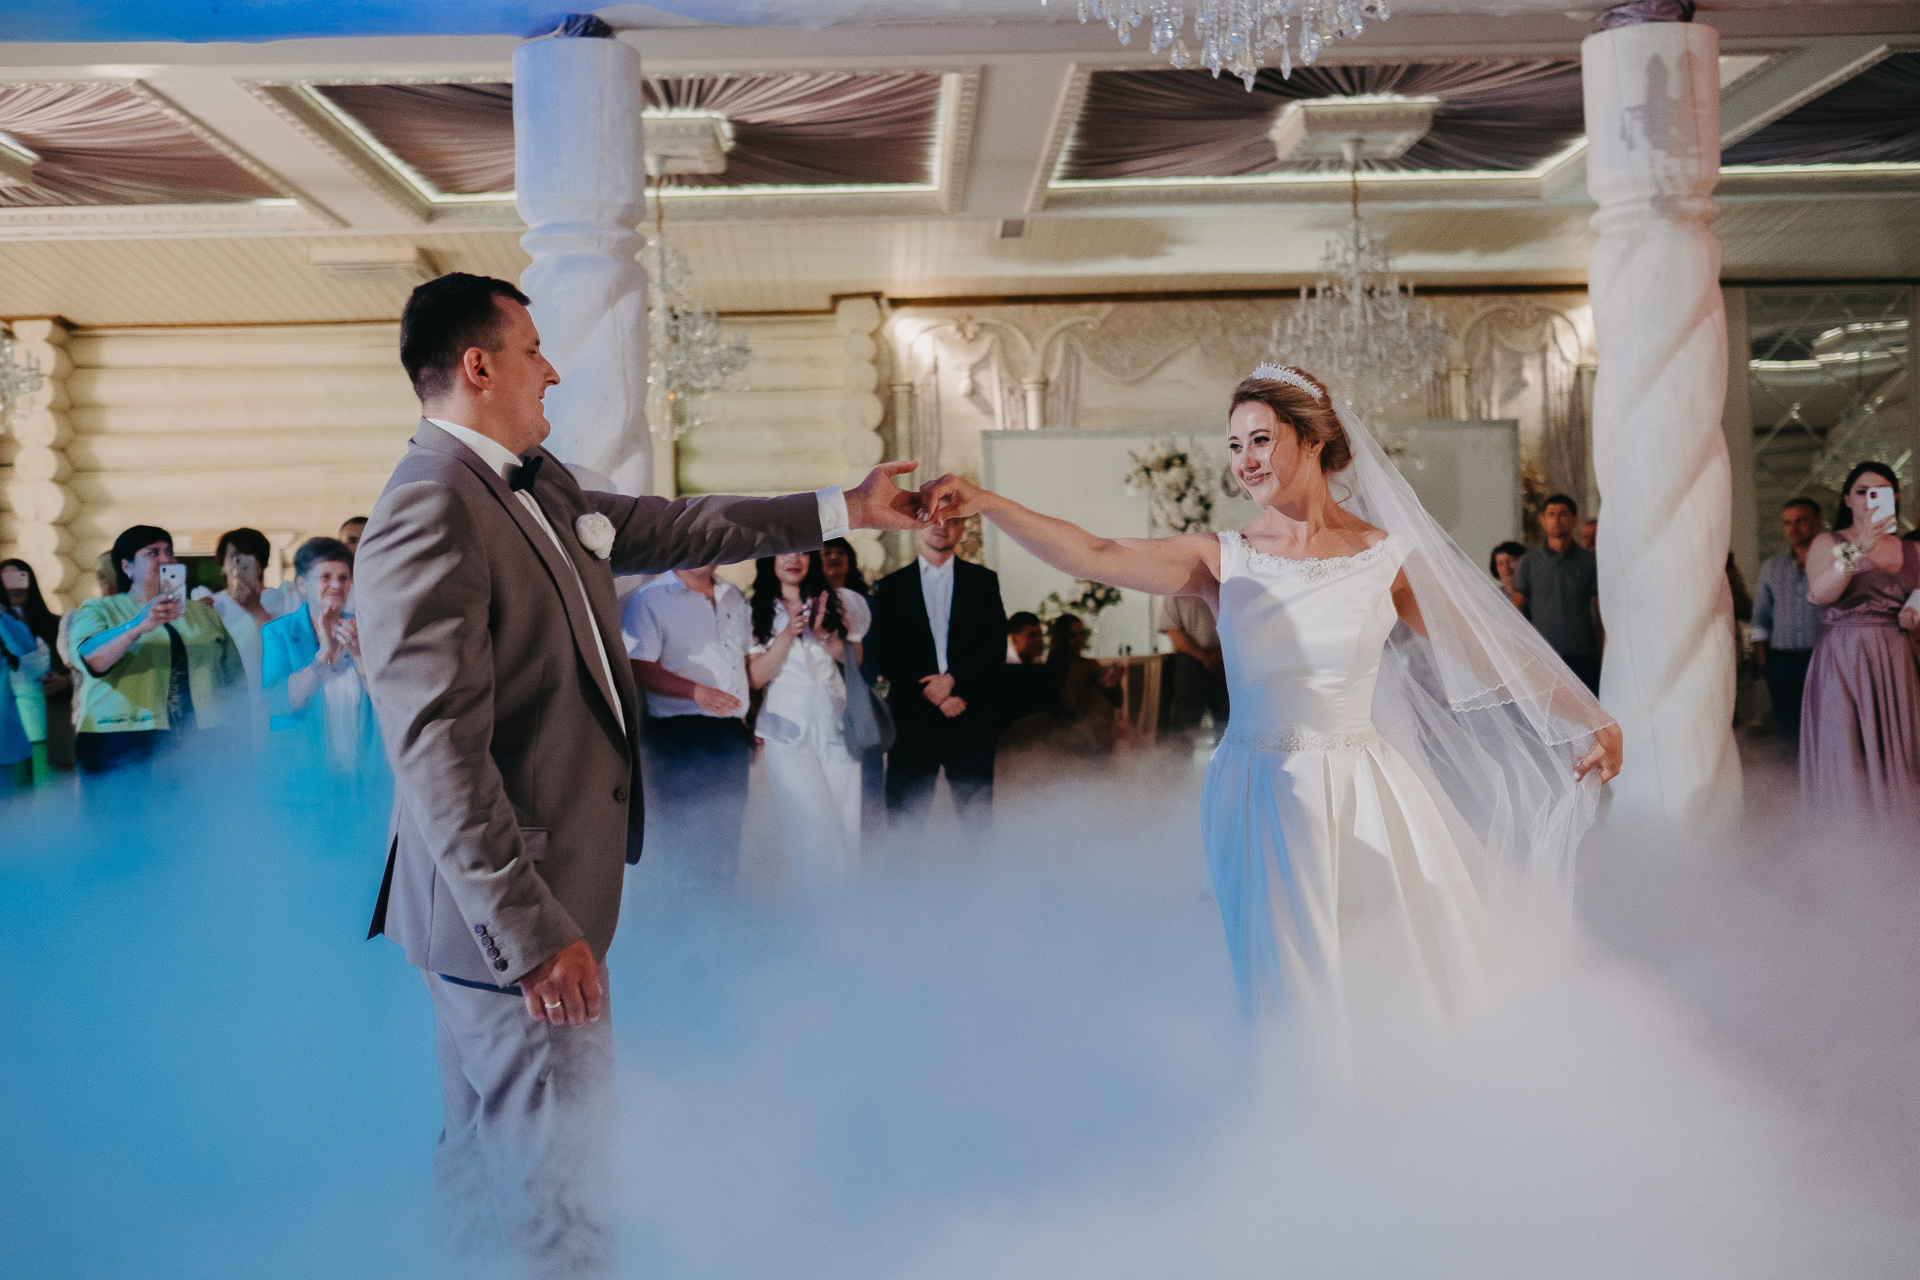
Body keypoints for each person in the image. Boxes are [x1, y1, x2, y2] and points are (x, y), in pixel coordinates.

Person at [352, 272, 928, 1278]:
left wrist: (846, 506)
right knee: (559, 1172)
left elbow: (685, 525)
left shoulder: (536, 483)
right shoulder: (429, 505)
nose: (552, 371)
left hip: (499, 906)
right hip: (512, 910)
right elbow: (437, 748)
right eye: (534, 350)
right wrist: (531, 934)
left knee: (485, 1151)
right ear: (478, 366)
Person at [919, 364, 1620, 1027]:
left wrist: (1589, 715)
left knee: (1391, 962)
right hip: (1259, 786)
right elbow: (1094, 553)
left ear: (1312, 441)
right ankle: (1300, 1096)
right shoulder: (1221, 558)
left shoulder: (1385, 557)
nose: (1245, 460)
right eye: (1234, 445)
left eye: (1260, 439)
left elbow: (1484, 647)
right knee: (1292, 974)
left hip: (1369, 787)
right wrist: (987, 503)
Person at [67, 525, 244, 775]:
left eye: (169, 551)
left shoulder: (204, 614)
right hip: (119, 738)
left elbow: (234, 676)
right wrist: (136, 626)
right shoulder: (100, 609)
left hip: (201, 737)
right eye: (152, 553)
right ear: (127, 567)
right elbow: (90, 659)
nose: (166, 559)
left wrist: (239, 729)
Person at [621, 562, 754, 893]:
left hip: (731, 735)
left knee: (727, 843)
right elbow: (638, 665)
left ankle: (720, 918)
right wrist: (696, 692)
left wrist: (752, 719)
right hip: (680, 734)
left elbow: (744, 664)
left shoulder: (733, 595)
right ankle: (686, 921)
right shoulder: (651, 597)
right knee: (686, 846)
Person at [869, 519, 1008, 831]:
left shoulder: (983, 581)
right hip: (912, 716)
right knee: (905, 819)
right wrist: (934, 692)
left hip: (969, 711)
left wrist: (952, 680)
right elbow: (887, 652)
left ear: (962, 528)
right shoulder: (892, 585)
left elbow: (993, 645)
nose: (941, 526)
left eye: (952, 520)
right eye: (933, 519)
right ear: (918, 524)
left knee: (977, 820)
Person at [1799, 462, 1920, 817]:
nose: (1869, 499)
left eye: (1879, 491)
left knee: (1902, 749)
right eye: (1861, 492)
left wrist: (1915, 615)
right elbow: (1821, 593)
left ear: (1895, 497)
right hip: (1843, 657)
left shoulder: (1913, 549)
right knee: (1845, 747)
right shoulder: (1827, 542)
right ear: (1847, 499)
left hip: (1897, 657)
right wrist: (1860, 548)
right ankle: (1849, 836)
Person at [749, 551, 871, 883]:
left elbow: (855, 658)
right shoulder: (753, 609)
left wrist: (825, 636)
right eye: (785, 550)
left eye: (803, 550)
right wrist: (788, 634)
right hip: (785, 730)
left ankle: (848, 906)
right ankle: (814, 906)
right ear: (769, 557)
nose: (794, 558)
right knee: (809, 825)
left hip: (837, 725)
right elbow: (756, 677)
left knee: (847, 822)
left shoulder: (836, 601)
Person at [260, 537, 379, 774]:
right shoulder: (279, 633)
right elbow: (278, 703)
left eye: (343, 578)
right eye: (326, 577)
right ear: (302, 585)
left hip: (362, 773)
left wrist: (360, 658)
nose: (336, 585)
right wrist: (324, 656)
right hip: (304, 775)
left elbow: (385, 703)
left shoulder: (365, 630)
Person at [1512, 494, 1604, 694]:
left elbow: (1599, 609)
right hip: (1542, 654)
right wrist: (1522, 646)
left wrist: (1602, 647)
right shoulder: (1529, 562)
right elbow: (1516, 608)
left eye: (1563, 514)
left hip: (1583, 654)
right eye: (1551, 514)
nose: (1557, 520)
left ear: (1574, 519)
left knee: (1587, 708)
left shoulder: (1589, 562)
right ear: (1542, 520)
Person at [1752, 498, 1824, 746]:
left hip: (1824, 661)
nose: (1793, 528)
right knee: (1788, 737)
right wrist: (1766, 666)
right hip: (1782, 665)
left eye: (1801, 520)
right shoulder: (1771, 568)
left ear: (1818, 522)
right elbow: (1759, 619)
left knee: (1826, 732)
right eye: (1787, 523)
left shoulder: (1833, 563)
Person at [195, 527, 298, 701]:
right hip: (226, 698)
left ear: (261, 564)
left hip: (272, 693)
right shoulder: (212, 604)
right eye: (233, 556)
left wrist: (256, 609)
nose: (239, 563)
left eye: (248, 556)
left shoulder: (283, 599)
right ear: (223, 566)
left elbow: (291, 648)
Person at [2, 557, 73, 777]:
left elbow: (84, 669)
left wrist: (65, 681)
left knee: (51, 793)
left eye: (20, 578)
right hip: (10, 733)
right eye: (7, 579)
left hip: (52, 728)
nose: (14, 586)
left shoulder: (57, 625)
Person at [1046, 612, 1126, 757]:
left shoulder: (1089, 666)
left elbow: (1117, 702)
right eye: (1073, 635)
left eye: (1082, 634)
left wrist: (1114, 682)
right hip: (1066, 733)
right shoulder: (1050, 670)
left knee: (1122, 728)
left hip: (1090, 732)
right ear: (1061, 638)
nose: (1080, 640)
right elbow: (1065, 709)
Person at [1160, 591, 1229, 734]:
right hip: (1190, 662)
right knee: (1185, 722)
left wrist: (1222, 655)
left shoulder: (1228, 586)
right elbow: (1173, 632)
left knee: (1229, 721)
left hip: (1226, 660)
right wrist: (1205, 657)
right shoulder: (1175, 591)